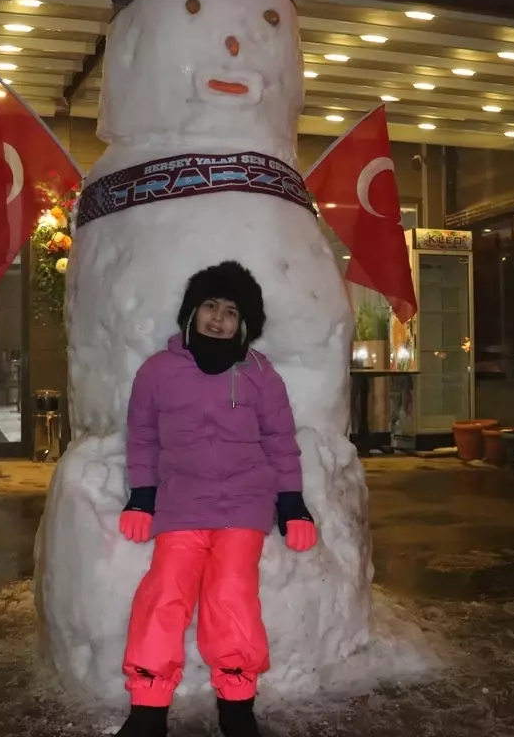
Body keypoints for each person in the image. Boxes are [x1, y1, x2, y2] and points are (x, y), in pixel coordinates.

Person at [116, 260, 317, 737]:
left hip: (242, 506)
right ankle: (148, 709)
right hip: (181, 505)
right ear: (192, 311)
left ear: (243, 324)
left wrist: (292, 503)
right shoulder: (157, 371)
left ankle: (237, 704)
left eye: (231, 311)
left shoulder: (260, 374)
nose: (218, 319)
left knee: (231, 595)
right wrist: (141, 497)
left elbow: (280, 442)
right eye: (210, 306)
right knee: (164, 593)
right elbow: (142, 438)